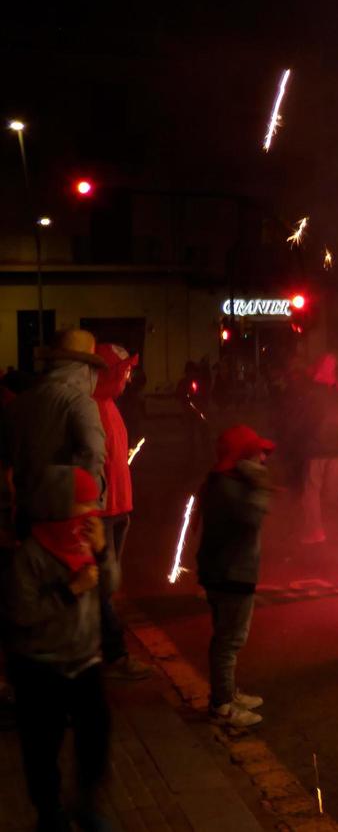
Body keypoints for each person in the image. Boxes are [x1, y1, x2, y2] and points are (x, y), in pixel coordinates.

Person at [1, 465, 110, 831]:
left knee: (95, 739)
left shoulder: (85, 542)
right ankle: (50, 816)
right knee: (42, 749)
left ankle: (87, 804)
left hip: (85, 661)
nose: (92, 512)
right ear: (58, 506)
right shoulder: (30, 556)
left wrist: (104, 553)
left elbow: (111, 587)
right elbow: (20, 613)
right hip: (41, 668)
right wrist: (69, 591)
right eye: (84, 505)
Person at [196, 424, 274, 728]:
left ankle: (226, 693)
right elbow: (252, 519)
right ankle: (223, 706)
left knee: (225, 638)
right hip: (232, 574)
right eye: (257, 454)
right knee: (229, 641)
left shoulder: (220, 482)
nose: (263, 459)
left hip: (219, 571)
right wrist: (259, 485)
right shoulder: (230, 487)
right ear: (242, 457)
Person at [0, 329, 107, 540]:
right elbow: (93, 454)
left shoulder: (18, 404)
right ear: (84, 368)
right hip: (67, 522)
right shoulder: (81, 404)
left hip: (26, 516)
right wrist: (88, 500)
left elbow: (4, 463)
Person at [93, 342, 151, 681]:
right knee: (103, 585)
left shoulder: (110, 406)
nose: (128, 377)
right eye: (124, 371)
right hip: (102, 513)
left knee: (109, 584)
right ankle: (114, 655)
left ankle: (105, 649)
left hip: (118, 509)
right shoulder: (88, 407)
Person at [298, 354, 338, 545]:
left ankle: (317, 531)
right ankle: (334, 530)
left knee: (312, 492)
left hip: (316, 450)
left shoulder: (312, 393)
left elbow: (303, 422)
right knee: (331, 494)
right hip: (336, 452)